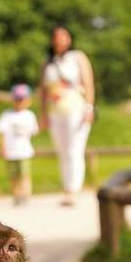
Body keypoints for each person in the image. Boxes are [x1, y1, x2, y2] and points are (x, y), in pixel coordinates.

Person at [38, 26, 95, 207]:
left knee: (74, 150)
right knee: (62, 151)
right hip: (56, 111)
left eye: (63, 36)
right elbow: (43, 91)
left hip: (76, 108)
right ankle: (66, 187)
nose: (60, 40)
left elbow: (88, 83)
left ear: (69, 39)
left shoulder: (78, 57)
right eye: (57, 37)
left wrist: (89, 108)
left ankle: (72, 189)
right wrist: (43, 114)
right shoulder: (48, 62)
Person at [0, 84, 40, 206]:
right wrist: (2, 147)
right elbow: (1, 132)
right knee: (13, 176)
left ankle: (25, 195)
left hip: (24, 151)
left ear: (28, 100)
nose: (20, 101)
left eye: (22, 99)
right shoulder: (7, 115)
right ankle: (16, 195)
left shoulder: (30, 115)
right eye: (17, 99)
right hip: (11, 151)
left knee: (25, 174)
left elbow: (35, 131)